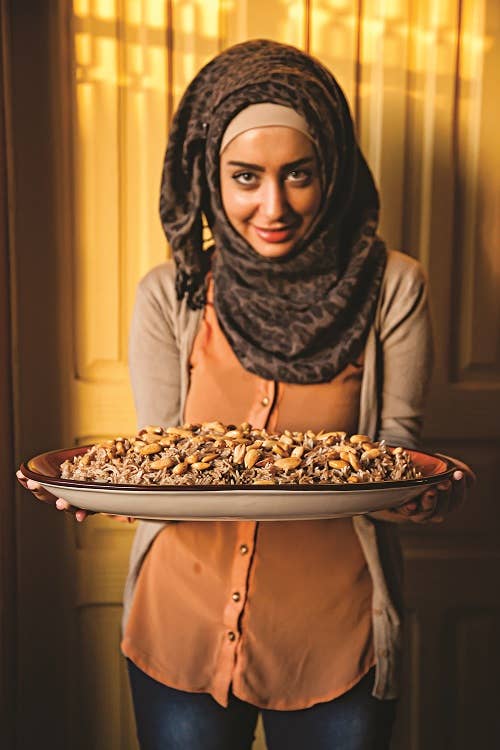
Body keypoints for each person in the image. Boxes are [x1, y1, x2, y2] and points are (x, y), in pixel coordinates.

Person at [18, 39, 473, 750]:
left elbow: (393, 460)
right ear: (209, 176)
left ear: (334, 171)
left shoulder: (393, 288)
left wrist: (426, 490)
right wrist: (97, 487)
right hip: (181, 630)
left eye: (298, 174)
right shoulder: (171, 294)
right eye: (244, 177)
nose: (273, 205)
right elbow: (160, 457)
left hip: (333, 640)